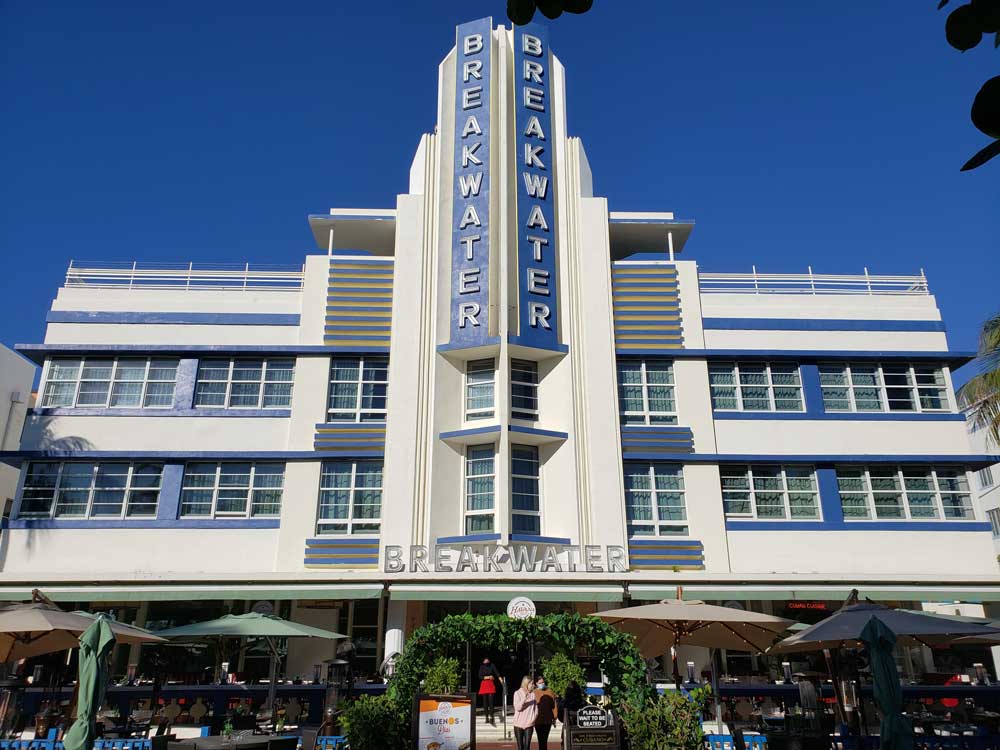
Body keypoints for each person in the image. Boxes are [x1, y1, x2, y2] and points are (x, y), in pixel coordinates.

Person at [533, 675, 558, 750]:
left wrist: (555, 717)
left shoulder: (549, 691)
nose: (542, 684)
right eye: (540, 682)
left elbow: (554, 705)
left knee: (545, 739)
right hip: (538, 720)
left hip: (548, 719)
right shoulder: (534, 693)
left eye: (543, 682)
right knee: (540, 739)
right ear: (536, 683)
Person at [512, 675, 537, 750]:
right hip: (518, 724)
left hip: (529, 723)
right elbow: (517, 708)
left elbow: (536, 709)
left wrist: (533, 718)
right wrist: (524, 698)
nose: (533, 685)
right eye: (531, 684)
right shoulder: (517, 693)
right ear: (526, 684)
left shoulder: (533, 694)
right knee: (520, 747)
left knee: (527, 747)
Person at [477, 657, 502, 725]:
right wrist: (488, 677)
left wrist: (501, 681)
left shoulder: (492, 665)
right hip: (484, 684)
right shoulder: (481, 667)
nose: (486, 660)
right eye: (485, 659)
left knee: (491, 701)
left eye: (487, 659)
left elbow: (497, 673)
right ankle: (486, 717)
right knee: (485, 701)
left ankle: (491, 717)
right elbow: (479, 676)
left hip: (490, 684)